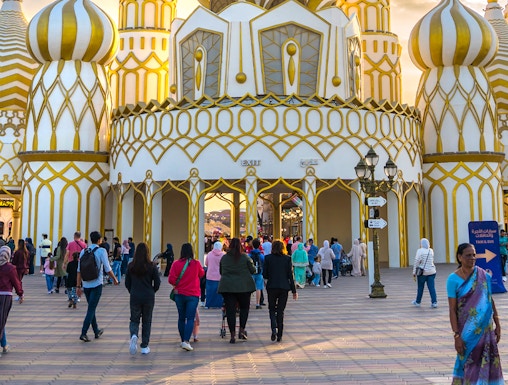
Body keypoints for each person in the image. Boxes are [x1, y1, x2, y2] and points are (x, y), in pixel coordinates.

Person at [447, 243, 504, 384]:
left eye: (474, 255)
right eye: (468, 255)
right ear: (460, 257)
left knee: (488, 363)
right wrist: (456, 335)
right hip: (466, 332)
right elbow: (452, 310)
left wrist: (497, 323)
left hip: (486, 330)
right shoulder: (453, 279)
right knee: (468, 363)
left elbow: (490, 300)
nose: (472, 258)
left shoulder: (483, 275)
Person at [76, 231, 119, 342]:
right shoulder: (101, 251)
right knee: (91, 309)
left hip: (86, 284)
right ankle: (83, 333)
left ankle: (96, 331)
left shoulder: (83, 251)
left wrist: (78, 286)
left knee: (91, 307)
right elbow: (107, 268)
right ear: (99, 240)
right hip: (96, 284)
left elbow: (79, 271)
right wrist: (114, 279)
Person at [218, 237, 256, 344]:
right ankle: (242, 330)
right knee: (244, 308)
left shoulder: (224, 258)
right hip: (244, 287)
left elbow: (221, 271)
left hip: (228, 287)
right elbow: (253, 270)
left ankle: (232, 335)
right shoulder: (245, 257)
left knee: (230, 311)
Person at [126, 242, 160, 355]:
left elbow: (127, 283)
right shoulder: (152, 266)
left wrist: (132, 291)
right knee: (147, 321)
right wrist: (152, 291)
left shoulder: (131, 266)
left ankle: (134, 335)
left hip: (135, 295)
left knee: (134, 319)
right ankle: (144, 346)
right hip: (148, 297)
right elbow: (158, 283)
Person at [168, 243, 204, 351]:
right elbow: (202, 274)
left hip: (179, 294)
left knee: (181, 317)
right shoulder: (196, 263)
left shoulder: (176, 264)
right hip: (193, 294)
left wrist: (177, 285)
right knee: (190, 318)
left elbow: (171, 279)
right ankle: (186, 341)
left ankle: (183, 339)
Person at [263, 240, 297, 342]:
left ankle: (273, 328)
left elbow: (265, 274)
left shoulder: (268, 258)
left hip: (272, 287)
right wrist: (294, 291)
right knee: (280, 311)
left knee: (272, 309)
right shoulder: (287, 259)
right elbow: (290, 276)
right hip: (284, 287)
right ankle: (280, 334)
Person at [0, 246, 23, 357]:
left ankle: (4, 345)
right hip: (5, 297)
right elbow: (16, 282)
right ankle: (3, 346)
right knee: (1, 320)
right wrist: (20, 293)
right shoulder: (10, 268)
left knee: (1, 321)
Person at [411, 238, 437, 308]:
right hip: (432, 271)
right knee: (432, 288)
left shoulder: (420, 251)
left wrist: (414, 272)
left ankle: (418, 302)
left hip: (422, 273)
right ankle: (434, 302)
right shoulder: (431, 250)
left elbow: (416, 261)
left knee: (420, 287)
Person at [204, 241, 224, 308]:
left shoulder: (209, 254)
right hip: (220, 276)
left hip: (210, 275)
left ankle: (208, 304)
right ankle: (219, 305)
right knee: (219, 292)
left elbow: (206, 264)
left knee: (209, 292)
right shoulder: (223, 255)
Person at [249, 238, 265, 308]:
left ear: (252, 245)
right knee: (258, 288)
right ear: (259, 245)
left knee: (249, 289)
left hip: (251, 274)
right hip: (259, 273)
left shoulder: (249, 255)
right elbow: (264, 264)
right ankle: (257, 303)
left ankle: (248, 303)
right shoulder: (261, 255)